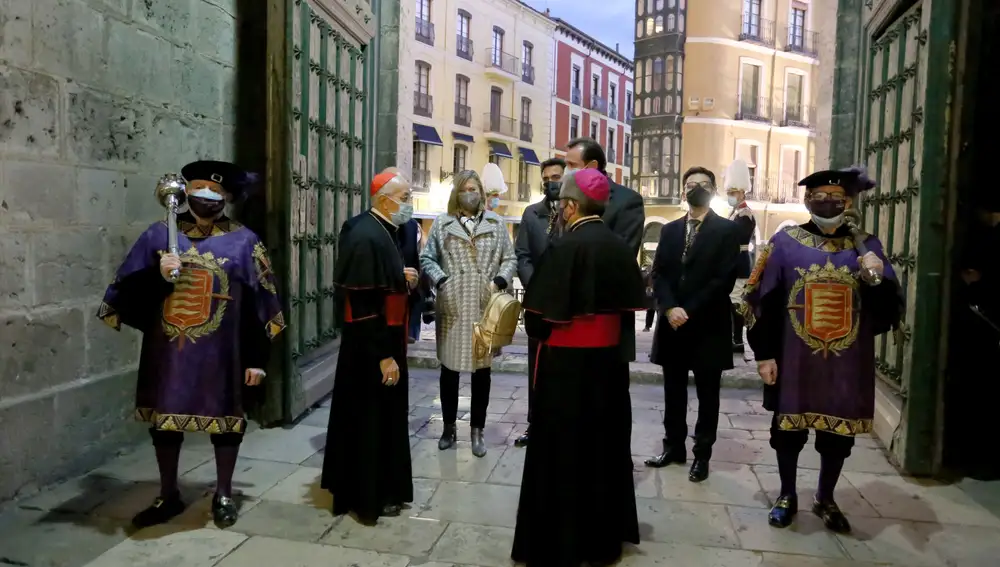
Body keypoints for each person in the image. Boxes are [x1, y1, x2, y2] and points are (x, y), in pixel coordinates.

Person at [97, 160, 284, 529]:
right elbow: (127, 294)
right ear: (185, 191)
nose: (207, 196)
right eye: (200, 188)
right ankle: (168, 494)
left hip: (222, 355)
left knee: (227, 423)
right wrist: (158, 275)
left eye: (217, 191)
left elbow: (261, 304)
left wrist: (257, 359)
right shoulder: (159, 235)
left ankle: (225, 493)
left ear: (227, 197)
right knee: (165, 423)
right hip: (170, 354)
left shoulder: (246, 242)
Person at [741, 167, 902, 533]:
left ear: (848, 202)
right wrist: (764, 354)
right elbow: (763, 301)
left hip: (845, 363)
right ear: (806, 199)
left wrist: (874, 280)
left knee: (836, 437)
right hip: (793, 360)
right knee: (788, 432)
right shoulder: (785, 244)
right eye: (819, 196)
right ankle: (786, 494)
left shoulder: (867, 246)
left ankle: (825, 497)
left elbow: (888, 309)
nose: (827, 202)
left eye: (836, 197)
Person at [511, 169, 646, 567]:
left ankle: (560, 542)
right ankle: (602, 542)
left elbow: (537, 318)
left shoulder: (564, 248)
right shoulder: (621, 249)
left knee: (562, 451)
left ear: (569, 207)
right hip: (607, 370)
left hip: (564, 373)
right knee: (603, 449)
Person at [320, 170, 418, 524]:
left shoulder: (385, 229)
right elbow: (360, 304)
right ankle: (367, 497)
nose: (409, 203)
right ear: (385, 198)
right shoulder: (364, 234)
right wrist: (384, 356)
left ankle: (386, 489)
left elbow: (380, 282)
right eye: (405, 197)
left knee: (385, 420)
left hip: (385, 337)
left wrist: (401, 278)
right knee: (370, 421)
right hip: (372, 346)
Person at [645, 166, 740, 483]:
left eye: (703, 184)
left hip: (707, 324)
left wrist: (688, 309)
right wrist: (670, 307)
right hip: (673, 324)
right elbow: (659, 273)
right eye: (690, 184)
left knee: (707, 393)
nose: (695, 188)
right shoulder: (670, 230)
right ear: (682, 190)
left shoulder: (727, 231)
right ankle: (673, 447)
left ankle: (702, 454)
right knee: (673, 392)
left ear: (713, 190)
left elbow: (723, 279)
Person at [420, 170, 517, 457]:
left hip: (484, 306)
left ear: (482, 193)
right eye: (465, 188)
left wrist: (498, 281)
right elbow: (427, 257)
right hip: (453, 306)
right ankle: (449, 427)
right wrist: (442, 281)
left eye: (475, 188)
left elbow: (509, 258)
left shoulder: (497, 224)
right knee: (449, 371)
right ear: (457, 193)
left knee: (482, 373)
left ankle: (477, 431)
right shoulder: (442, 223)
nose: (470, 193)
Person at [565, 137, 645, 366]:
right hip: (570, 314)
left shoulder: (627, 200)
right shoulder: (569, 198)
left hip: (607, 310)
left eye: (572, 165)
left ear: (591, 166)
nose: (566, 171)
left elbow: (623, 253)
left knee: (609, 392)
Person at [512, 156, 566, 447]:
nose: (550, 182)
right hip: (538, 305)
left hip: (567, 307)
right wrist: (537, 287)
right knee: (536, 367)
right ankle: (535, 425)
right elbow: (522, 255)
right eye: (546, 178)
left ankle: (562, 427)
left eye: (556, 177)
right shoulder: (532, 214)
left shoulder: (574, 212)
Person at [723, 160, 757, 355]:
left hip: (740, 261)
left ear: (743, 192)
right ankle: (732, 337)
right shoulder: (735, 212)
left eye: (733, 193)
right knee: (730, 302)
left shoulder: (745, 214)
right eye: (729, 193)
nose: (731, 196)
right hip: (733, 261)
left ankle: (737, 339)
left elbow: (738, 237)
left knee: (736, 301)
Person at [643, 263, 656, 332]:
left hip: (658, 296)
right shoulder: (649, 276)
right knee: (650, 311)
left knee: (660, 312)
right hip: (651, 297)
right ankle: (647, 326)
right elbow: (643, 284)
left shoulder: (659, 275)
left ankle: (647, 326)